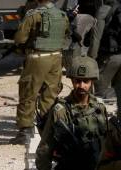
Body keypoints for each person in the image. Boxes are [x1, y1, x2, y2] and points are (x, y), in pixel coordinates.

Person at [13, 0, 70, 144]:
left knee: (28, 92)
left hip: (37, 57)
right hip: (56, 57)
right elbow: (66, 35)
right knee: (50, 94)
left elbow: (20, 38)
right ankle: (47, 129)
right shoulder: (62, 15)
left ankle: (25, 131)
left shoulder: (33, 15)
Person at [88, 0, 121, 118]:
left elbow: (96, 38)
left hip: (108, 58)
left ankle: (102, 123)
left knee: (100, 94)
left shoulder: (104, 10)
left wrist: (91, 59)